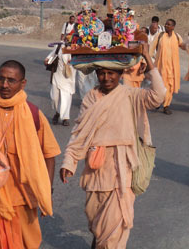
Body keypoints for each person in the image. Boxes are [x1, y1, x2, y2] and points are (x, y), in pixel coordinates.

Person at [59, 42, 166, 248]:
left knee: (114, 229)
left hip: (122, 171)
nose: (106, 78)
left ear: (120, 73)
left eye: (111, 73)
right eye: (102, 73)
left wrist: (148, 59)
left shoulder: (131, 95)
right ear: (96, 74)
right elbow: (80, 133)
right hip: (95, 170)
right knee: (96, 222)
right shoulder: (91, 97)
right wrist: (68, 162)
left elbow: (158, 96)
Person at [0, 60, 61, 248]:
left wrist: (46, 190)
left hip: (24, 190)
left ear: (22, 83)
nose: (4, 85)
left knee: (25, 243)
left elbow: (49, 154)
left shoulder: (33, 113)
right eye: (0, 79)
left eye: (11, 80)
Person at [149, 18, 186, 115]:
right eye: (165, 24)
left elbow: (183, 46)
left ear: (173, 27)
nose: (166, 26)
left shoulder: (177, 36)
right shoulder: (160, 35)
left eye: (168, 24)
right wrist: (147, 61)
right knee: (159, 85)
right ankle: (158, 101)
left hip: (172, 68)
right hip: (160, 66)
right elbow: (151, 48)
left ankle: (166, 105)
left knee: (170, 86)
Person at [50, 47, 76, 126]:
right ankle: (57, 113)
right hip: (57, 76)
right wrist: (48, 61)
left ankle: (65, 118)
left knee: (66, 98)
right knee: (54, 98)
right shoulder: (59, 47)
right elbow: (51, 56)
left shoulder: (76, 48)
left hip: (68, 78)